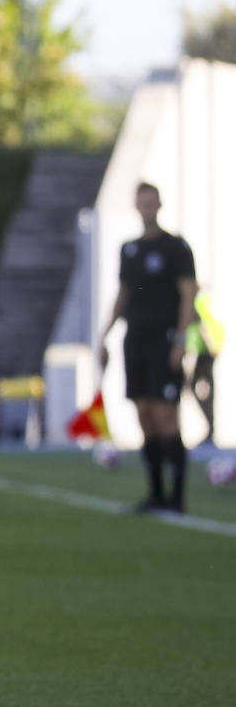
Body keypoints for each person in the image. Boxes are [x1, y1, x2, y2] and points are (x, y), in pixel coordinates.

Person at [98, 181, 198, 512]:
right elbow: (122, 295)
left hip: (164, 340)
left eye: (151, 202)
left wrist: (181, 340)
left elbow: (188, 294)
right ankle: (156, 493)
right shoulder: (129, 250)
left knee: (166, 415)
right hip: (135, 340)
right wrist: (104, 335)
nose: (147, 207)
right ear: (136, 206)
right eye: (142, 202)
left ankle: (177, 497)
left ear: (159, 204)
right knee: (143, 414)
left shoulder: (176, 248)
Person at [186, 290, 223, 446]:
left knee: (201, 389)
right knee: (200, 390)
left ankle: (210, 428)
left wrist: (210, 347)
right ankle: (210, 427)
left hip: (206, 354)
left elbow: (203, 327)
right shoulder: (203, 302)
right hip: (206, 353)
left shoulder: (198, 304)